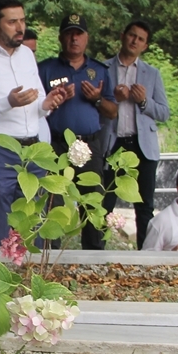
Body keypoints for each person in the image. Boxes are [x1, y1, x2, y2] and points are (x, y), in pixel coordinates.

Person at [0, 0, 66, 248]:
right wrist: (7, 102)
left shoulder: (27, 56)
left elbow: (38, 101)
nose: (20, 27)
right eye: (12, 22)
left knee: (35, 223)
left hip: (33, 150)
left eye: (22, 20)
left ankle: (32, 284)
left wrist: (47, 103)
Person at [37, 13, 117, 250]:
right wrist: (56, 100)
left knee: (92, 202)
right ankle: (50, 257)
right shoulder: (45, 69)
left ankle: (94, 258)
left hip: (89, 145)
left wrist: (97, 99)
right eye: (69, 33)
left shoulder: (99, 70)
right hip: (56, 144)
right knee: (54, 203)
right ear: (61, 37)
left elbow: (112, 111)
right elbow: (34, 108)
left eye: (79, 33)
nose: (74, 39)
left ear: (86, 38)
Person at [101, 20, 170, 249]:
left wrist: (143, 102)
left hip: (143, 146)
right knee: (104, 202)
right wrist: (114, 99)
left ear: (145, 46)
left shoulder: (152, 74)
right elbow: (95, 107)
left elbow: (163, 112)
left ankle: (145, 256)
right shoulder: (103, 68)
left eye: (140, 39)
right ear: (123, 36)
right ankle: (96, 254)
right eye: (132, 35)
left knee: (144, 205)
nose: (134, 41)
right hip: (113, 143)